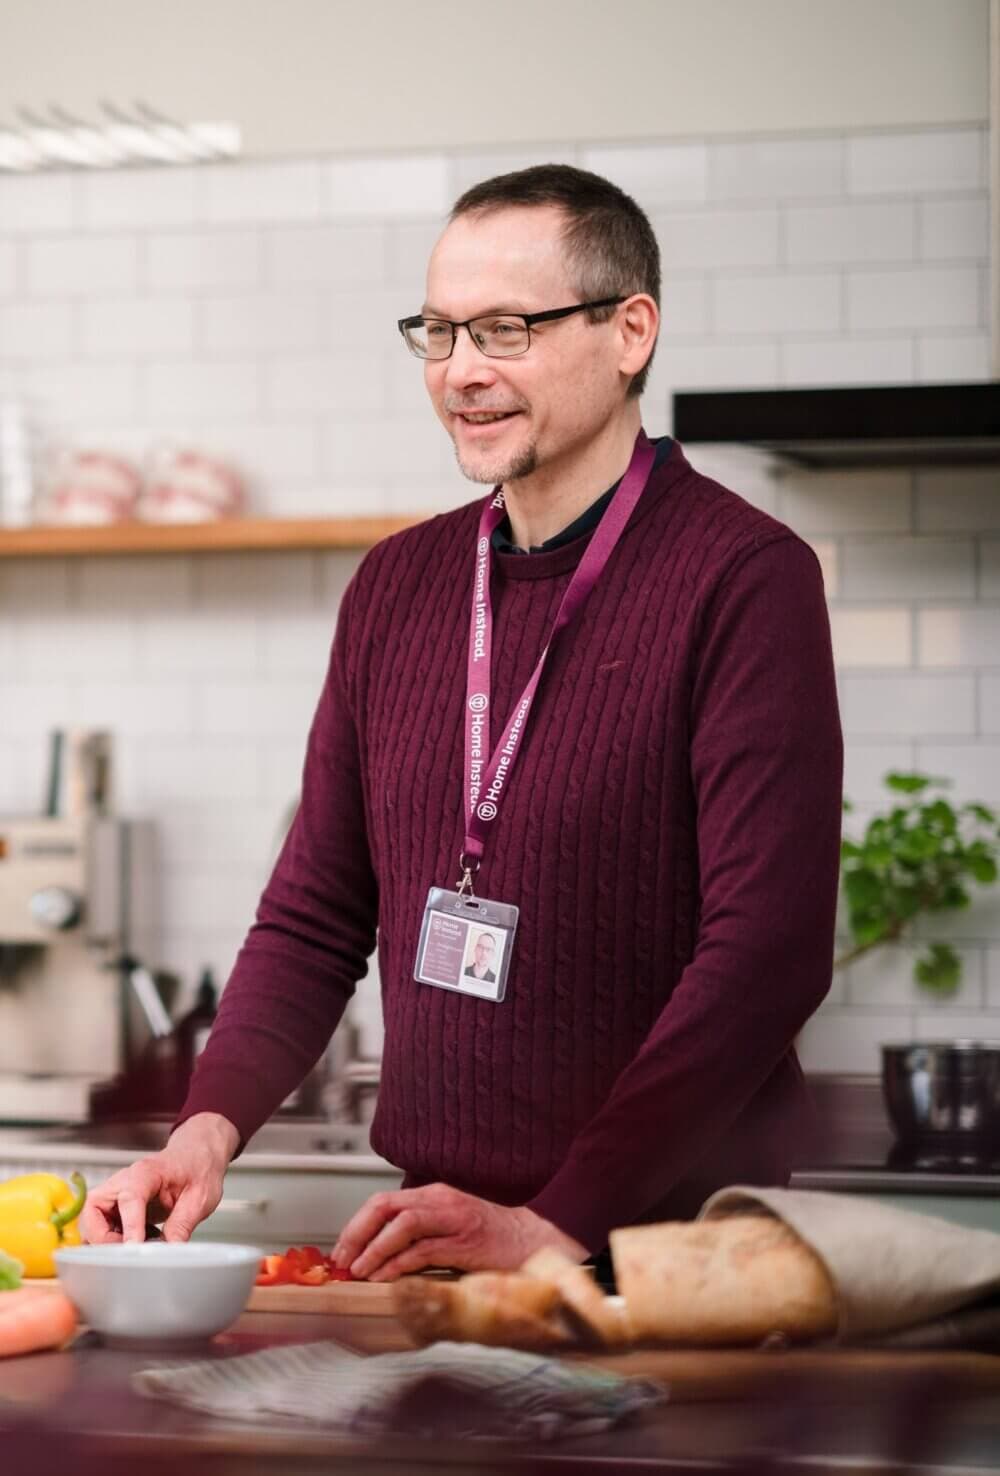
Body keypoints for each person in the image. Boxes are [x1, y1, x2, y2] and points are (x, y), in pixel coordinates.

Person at [80, 165, 843, 1283]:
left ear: (629, 331)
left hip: (674, 1265)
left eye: (504, 330)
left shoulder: (744, 579)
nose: (462, 373)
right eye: (438, 332)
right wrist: (207, 1127)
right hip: (438, 1253)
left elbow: (766, 959)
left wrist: (558, 1222)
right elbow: (314, 914)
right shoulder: (396, 586)